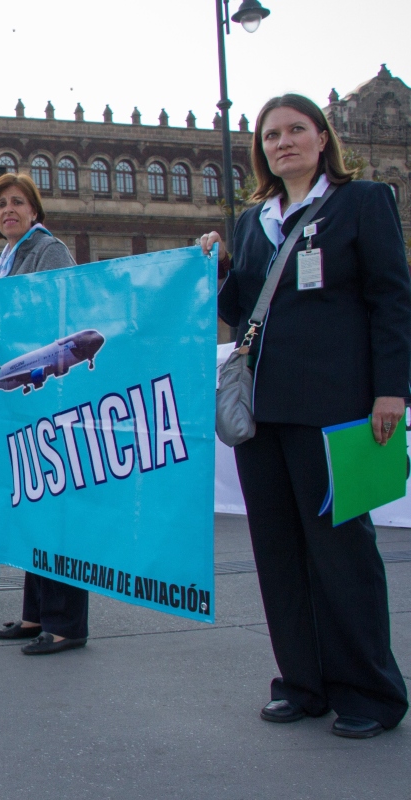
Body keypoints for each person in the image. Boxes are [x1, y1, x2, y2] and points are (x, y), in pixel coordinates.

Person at [201, 94, 409, 739]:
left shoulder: (363, 201)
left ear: (323, 139)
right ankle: (301, 682)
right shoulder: (251, 219)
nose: (282, 142)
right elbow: (238, 306)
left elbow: (391, 299)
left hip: (333, 406)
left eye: (295, 130)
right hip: (261, 411)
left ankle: (370, 693)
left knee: (341, 550)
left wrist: (391, 393)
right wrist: (210, 270)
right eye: (270, 135)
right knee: (279, 551)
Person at [0, 172, 87, 655]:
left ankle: (66, 623)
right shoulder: (5, 260)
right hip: (21, 404)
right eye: (0, 206)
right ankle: (35, 613)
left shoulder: (48, 249)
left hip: (51, 398)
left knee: (55, 505)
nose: (8, 211)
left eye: (17, 202)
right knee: (31, 505)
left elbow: (61, 311)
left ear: (35, 210)